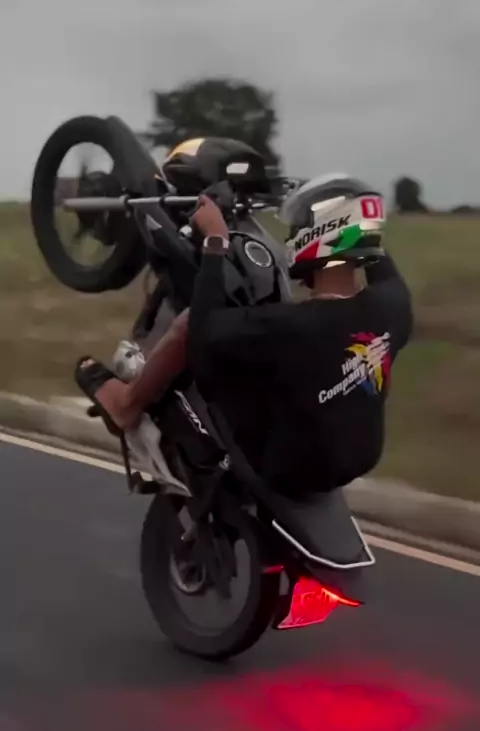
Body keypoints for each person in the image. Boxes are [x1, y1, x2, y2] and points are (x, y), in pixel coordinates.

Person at [76, 174, 413, 496]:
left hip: (285, 469)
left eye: (299, 227)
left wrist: (215, 240)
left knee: (190, 326)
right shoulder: (391, 307)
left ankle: (127, 404)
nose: (292, 235)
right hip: (358, 456)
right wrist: (361, 231)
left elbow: (203, 335)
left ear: (317, 234)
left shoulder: (288, 327)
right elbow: (382, 267)